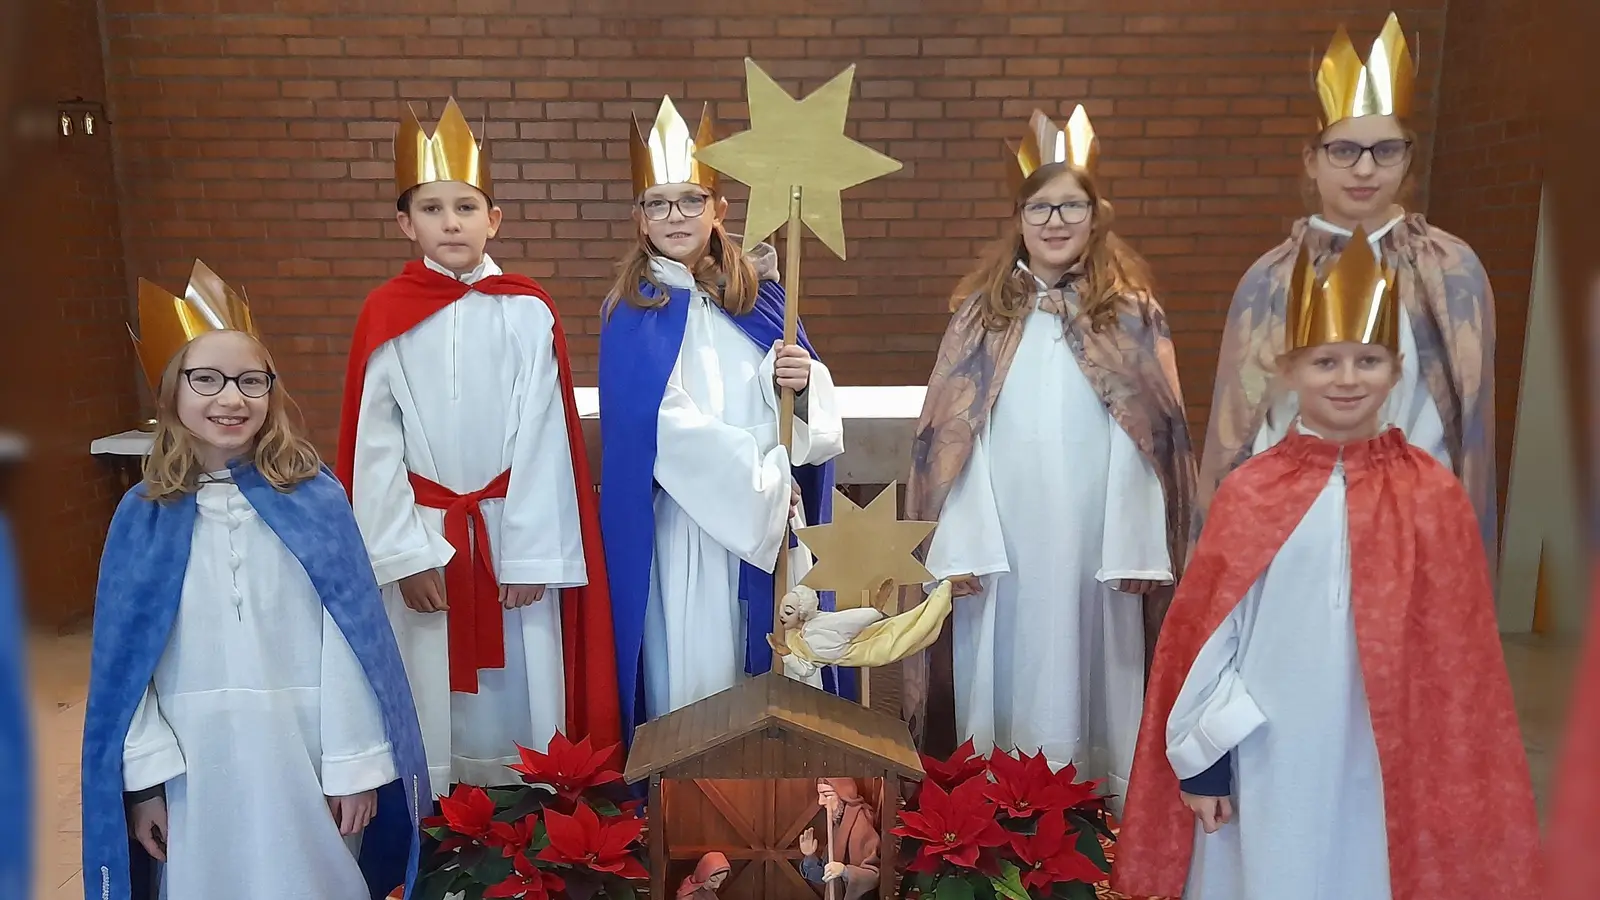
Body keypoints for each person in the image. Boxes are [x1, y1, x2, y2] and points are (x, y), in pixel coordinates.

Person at [1112, 233, 1539, 898]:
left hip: (1386, 759)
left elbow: (1463, 666)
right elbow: (1207, 639)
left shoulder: (1433, 495)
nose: (1346, 379)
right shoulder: (1251, 490)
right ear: (1289, 371)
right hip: (1268, 753)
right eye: (1325, 362)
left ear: (1396, 372)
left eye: (1368, 361)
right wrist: (1203, 764)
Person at [80, 265, 427, 900]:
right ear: (171, 394)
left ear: (272, 391)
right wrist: (147, 784)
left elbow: (352, 640)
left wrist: (353, 764)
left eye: (250, 381)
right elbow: (125, 670)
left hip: (308, 751)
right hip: (196, 765)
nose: (230, 399)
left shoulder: (317, 499)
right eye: (205, 380)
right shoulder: (143, 514)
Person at [905, 108, 1196, 805]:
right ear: (1019, 216)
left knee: (1099, 668)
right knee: (999, 664)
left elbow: (1150, 440)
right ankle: (994, 813)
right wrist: (961, 543)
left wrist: (1135, 548)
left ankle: (1106, 811)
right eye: (1041, 206)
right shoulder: (981, 314)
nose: (1056, 220)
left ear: (1097, 216)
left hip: (1099, 546)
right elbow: (951, 440)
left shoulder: (1131, 314)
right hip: (1001, 544)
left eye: (1072, 205)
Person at [335, 98, 620, 797]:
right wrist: (401, 554)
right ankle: (439, 828)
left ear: (493, 219)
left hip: (507, 529)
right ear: (406, 223)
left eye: (466, 206)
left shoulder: (526, 310)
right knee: (430, 689)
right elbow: (374, 444)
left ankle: (528, 825)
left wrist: (530, 554)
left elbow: (547, 435)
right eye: (431, 208)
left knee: (523, 691)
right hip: (426, 537)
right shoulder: (384, 314)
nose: (450, 222)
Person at [1197, 13, 1498, 576]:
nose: (1365, 169)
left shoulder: (1452, 273)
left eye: (1385, 150)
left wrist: (1414, 514)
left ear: (1408, 157)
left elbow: (1459, 426)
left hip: (1411, 525)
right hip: (1291, 528)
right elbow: (1244, 430)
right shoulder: (1270, 280)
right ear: (1311, 160)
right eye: (1343, 150)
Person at [599, 96, 845, 741]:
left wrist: (799, 380)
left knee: (773, 670)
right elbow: (654, 423)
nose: (675, 215)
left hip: (770, 520)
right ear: (639, 217)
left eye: (690, 199)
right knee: (700, 669)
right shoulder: (632, 312)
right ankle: (698, 820)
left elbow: (807, 411)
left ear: (719, 210)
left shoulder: (764, 300)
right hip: (688, 527)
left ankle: (777, 815)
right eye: (659, 202)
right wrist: (758, 482)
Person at [798, 778, 880, 900]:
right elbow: (825, 876)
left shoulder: (860, 824)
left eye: (826, 795)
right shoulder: (838, 825)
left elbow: (874, 876)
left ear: (843, 795)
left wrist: (845, 871)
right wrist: (810, 856)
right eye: (820, 795)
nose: (821, 802)